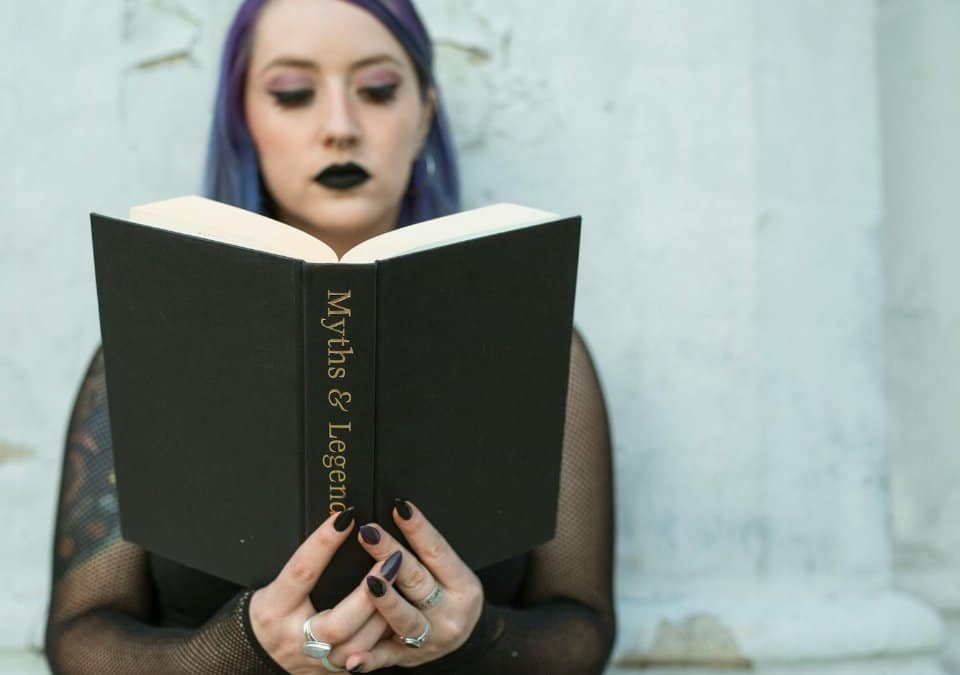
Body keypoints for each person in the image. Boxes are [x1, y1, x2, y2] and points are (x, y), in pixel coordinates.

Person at [43, 0, 616, 672]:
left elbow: (584, 627)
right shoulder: (145, 358)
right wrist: (242, 646)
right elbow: (78, 636)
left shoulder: (539, 353)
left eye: (377, 90)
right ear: (243, 120)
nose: (340, 128)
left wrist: (477, 634)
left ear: (426, 112)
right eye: (293, 94)